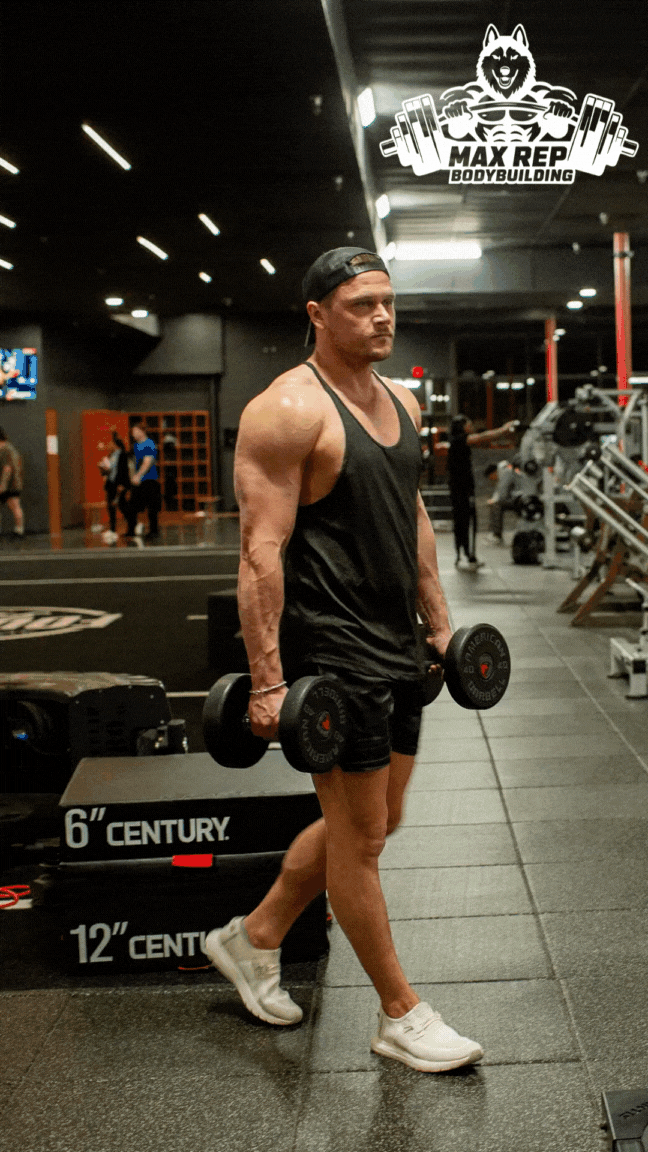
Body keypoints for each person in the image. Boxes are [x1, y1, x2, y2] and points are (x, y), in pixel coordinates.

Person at [204, 247, 485, 1073]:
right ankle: (400, 1015)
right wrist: (267, 681)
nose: (383, 318)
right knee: (360, 842)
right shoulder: (286, 410)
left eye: (388, 302)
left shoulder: (401, 399)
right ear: (318, 314)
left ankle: (253, 937)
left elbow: (416, 518)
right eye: (362, 305)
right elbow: (261, 551)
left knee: (375, 823)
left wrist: (440, 627)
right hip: (335, 654)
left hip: (400, 648)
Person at [446, 414, 516, 567]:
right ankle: (468, 555)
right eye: (468, 424)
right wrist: (503, 430)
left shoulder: (455, 441)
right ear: (463, 426)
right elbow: (483, 437)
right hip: (462, 490)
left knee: (462, 522)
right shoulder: (460, 440)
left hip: (460, 489)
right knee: (467, 522)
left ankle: (463, 554)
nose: (471, 427)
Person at [125, 421, 161, 539]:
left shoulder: (149, 444)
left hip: (149, 480)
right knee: (132, 507)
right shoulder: (135, 445)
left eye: (136, 431)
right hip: (137, 481)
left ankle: (154, 531)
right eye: (133, 432)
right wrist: (132, 477)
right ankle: (131, 530)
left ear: (142, 431)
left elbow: (147, 462)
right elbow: (131, 462)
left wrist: (139, 475)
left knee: (152, 508)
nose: (133, 434)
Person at [98, 431, 130, 543]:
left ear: (115, 444)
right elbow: (109, 471)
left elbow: (123, 471)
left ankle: (132, 524)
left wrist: (122, 485)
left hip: (119, 485)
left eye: (110, 443)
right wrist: (103, 469)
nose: (108, 445)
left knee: (122, 506)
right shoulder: (110, 455)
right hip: (110, 484)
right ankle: (112, 529)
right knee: (110, 506)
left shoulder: (122, 454)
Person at [0, 427, 24, 536]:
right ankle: (19, 530)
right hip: (14, 483)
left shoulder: (5, 449)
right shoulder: (10, 448)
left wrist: (2, 485)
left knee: (14, 506)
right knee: (15, 506)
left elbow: (7, 468)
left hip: (10, 484)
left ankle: (19, 531)